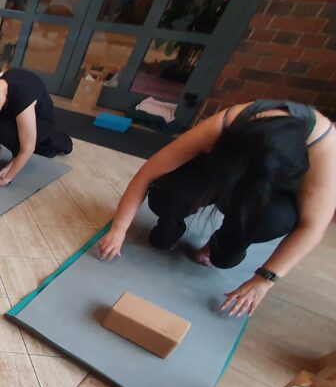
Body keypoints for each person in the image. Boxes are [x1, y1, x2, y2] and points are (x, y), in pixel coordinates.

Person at [97, 100, 335, 317]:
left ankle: (223, 243)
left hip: (269, 194)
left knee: (241, 246)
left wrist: (264, 279)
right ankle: (172, 226)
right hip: (219, 168)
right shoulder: (222, 126)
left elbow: (313, 227)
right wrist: (119, 228)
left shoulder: (323, 148)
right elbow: (147, 174)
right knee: (168, 192)